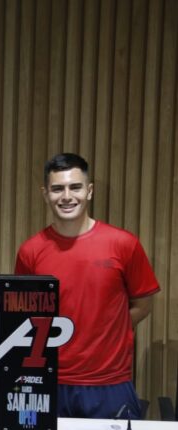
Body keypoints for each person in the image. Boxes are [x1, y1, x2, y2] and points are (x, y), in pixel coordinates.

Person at [15, 153, 160, 419]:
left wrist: (108, 332)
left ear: (89, 191)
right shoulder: (30, 251)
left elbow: (143, 304)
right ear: (45, 194)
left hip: (110, 383)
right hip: (47, 380)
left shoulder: (124, 244)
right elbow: (25, 317)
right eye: (57, 189)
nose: (67, 196)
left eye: (75, 187)